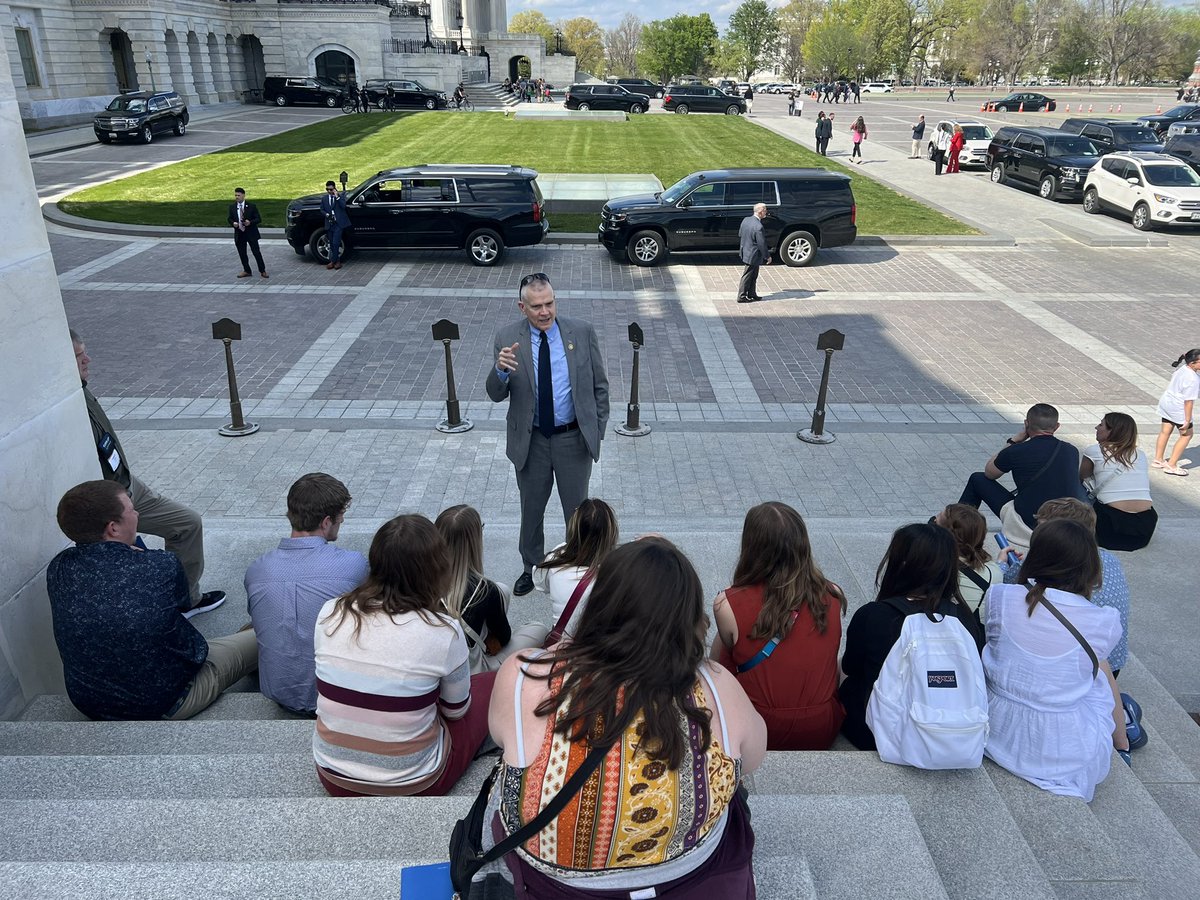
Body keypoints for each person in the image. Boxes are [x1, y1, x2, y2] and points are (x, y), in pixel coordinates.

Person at [486, 537, 767, 895]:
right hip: (686, 877)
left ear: (600, 604)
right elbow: (755, 757)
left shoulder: (526, 676)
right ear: (688, 619)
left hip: (556, 886)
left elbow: (499, 736)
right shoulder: (716, 685)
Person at [313, 514, 496, 797]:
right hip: (416, 782)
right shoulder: (444, 631)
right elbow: (456, 711)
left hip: (333, 776)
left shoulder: (330, 612)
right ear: (436, 569)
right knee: (492, 682)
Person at [47, 480, 258, 720]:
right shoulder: (161, 565)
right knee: (269, 633)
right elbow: (182, 602)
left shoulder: (59, 568)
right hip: (166, 701)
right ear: (113, 528)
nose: (137, 513)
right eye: (131, 509)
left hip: (91, 703)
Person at [70, 330, 224, 616]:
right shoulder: (66, 407)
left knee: (187, 523)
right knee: (136, 562)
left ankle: (185, 600)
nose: (88, 359)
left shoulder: (81, 388)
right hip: (107, 503)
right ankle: (164, 609)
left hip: (125, 485)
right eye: (80, 356)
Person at [982, 519, 1128, 800]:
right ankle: (1122, 740)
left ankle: (1122, 734)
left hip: (996, 724)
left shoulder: (1000, 596)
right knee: (1099, 674)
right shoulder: (1104, 620)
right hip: (1058, 746)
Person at [486, 273, 610, 597]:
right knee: (532, 510)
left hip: (573, 440)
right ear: (522, 307)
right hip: (533, 441)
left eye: (550, 303)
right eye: (536, 306)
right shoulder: (506, 337)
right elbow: (495, 394)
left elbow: (600, 386)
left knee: (578, 512)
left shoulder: (581, 333)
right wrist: (499, 371)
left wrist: (597, 430)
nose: (545, 312)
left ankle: (579, 567)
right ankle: (531, 567)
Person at [712, 502, 846, 750]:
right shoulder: (833, 593)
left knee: (725, 643)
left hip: (761, 725)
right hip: (820, 726)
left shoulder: (727, 603)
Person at [839, 523, 984, 750]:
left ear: (901, 564)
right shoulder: (963, 617)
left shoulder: (874, 615)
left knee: (844, 677)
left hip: (878, 735)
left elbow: (850, 667)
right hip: (952, 733)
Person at [244, 473, 368, 715]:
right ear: (325, 522)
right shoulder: (354, 565)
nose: (342, 520)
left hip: (278, 693)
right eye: (340, 517)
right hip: (336, 693)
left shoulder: (257, 570)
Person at [997, 498, 1132, 676]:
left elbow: (1008, 592)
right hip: (1111, 662)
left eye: (1042, 529)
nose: (1035, 533)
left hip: (1074, 666)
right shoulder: (1108, 559)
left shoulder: (1054, 563)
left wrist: (1002, 565)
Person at [435, 504, 548, 672]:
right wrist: (493, 637)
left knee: (503, 590)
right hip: (471, 671)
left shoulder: (422, 581)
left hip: (437, 660)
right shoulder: (484, 589)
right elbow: (504, 637)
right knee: (539, 630)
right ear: (474, 541)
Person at [957, 402, 1086, 544]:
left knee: (977, 479)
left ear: (1026, 424)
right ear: (1056, 426)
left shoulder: (1016, 451)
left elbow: (989, 473)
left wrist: (1013, 441)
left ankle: (957, 528)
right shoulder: (1071, 450)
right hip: (1063, 521)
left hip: (1028, 520)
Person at [533, 497, 619, 640]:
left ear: (575, 527)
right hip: (598, 649)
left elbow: (540, 584)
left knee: (536, 628)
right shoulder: (619, 568)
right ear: (610, 533)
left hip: (561, 646)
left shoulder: (556, 557)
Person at [1081, 412, 1156, 551]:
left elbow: (1083, 478)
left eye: (1101, 424)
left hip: (1110, 527)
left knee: (1081, 486)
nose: (1096, 427)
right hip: (1144, 528)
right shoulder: (1140, 454)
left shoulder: (1094, 450)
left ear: (1112, 431)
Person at [935, 503, 1002, 621]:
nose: (934, 519)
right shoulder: (994, 572)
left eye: (935, 522)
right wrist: (1001, 564)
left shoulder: (930, 565)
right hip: (971, 635)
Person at [1153, 348, 1200, 476]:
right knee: (1187, 435)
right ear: (1193, 363)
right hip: (1178, 408)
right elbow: (1188, 402)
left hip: (1167, 403)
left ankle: (1158, 459)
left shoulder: (1182, 368)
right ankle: (1172, 465)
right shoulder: (1193, 379)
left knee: (1165, 431)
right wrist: (1187, 419)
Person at [228, 187, 267, 279]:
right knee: (242, 253)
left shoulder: (251, 206)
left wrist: (250, 222)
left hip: (250, 233)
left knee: (256, 252)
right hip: (240, 233)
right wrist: (233, 223)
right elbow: (229, 218)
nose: (237, 197)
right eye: (235, 195)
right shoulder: (232, 207)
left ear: (243, 196)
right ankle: (247, 270)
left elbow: (258, 219)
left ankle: (262, 270)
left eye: (239, 195)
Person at [737, 202, 769, 304]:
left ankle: (752, 293)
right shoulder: (758, 226)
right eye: (765, 210)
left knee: (754, 274)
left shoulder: (746, 220)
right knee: (748, 275)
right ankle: (741, 295)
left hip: (746, 250)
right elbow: (761, 244)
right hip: (753, 254)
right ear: (760, 212)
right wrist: (767, 256)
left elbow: (740, 233)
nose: (766, 212)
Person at [319, 180, 351, 270]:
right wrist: (326, 214)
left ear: (334, 188)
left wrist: (337, 197)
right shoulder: (324, 198)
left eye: (331, 189)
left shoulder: (340, 197)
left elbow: (343, 206)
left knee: (336, 242)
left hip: (338, 224)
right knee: (331, 244)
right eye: (327, 189)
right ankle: (336, 261)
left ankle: (333, 261)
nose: (329, 191)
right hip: (329, 223)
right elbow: (321, 209)